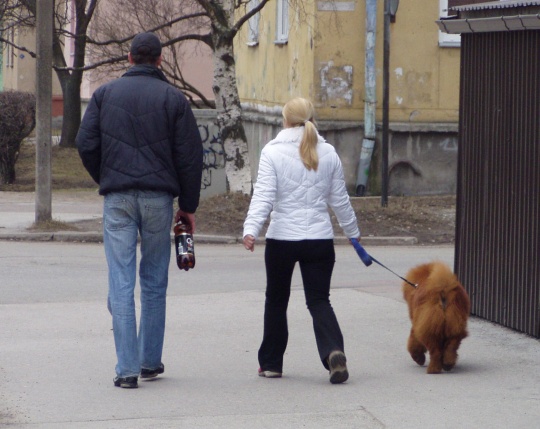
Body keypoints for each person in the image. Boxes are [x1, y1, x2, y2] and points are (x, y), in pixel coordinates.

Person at [76, 32, 203, 389]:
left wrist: (107, 175)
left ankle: (126, 368)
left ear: (128, 58)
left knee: (120, 279)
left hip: (117, 198)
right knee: (153, 280)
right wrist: (188, 207)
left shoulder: (104, 95)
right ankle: (149, 361)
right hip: (159, 200)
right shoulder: (173, 99)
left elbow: (85, 143)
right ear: (160, 61)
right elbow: (191, 157)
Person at [243, 97, 361, 384]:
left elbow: (264, 195)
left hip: (282, 239)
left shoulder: (272, 151)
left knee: (276, 300)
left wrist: (251, 228)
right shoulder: (329, 152)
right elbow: (340, 200)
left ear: (285, 120)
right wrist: (353, 233)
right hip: (319, 240)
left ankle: (271, 364)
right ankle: (334, 351)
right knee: (319, 300)